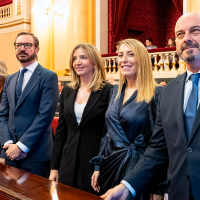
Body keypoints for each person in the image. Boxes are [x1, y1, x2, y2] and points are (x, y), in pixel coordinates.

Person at [100, 12, 200, 200]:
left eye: (195, 31)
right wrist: (127, 186)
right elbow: (158, 148)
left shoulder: (156, 93)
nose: (186, 39)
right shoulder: (170, 91)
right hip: (181, 192)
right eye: (179, 34)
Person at [90, 39, 166, 199]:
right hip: (109, 166)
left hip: (137, 171)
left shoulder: (156, 94)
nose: (123, 59)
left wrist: (158, 187)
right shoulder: (115, 91)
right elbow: (107, 134)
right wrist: (97, 166)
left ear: (142, 59)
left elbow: (159, 143)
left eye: (130, 54)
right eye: (120, 55)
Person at [49, 43, 113, 194]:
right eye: (75, 58)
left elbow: (109, 134)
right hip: (67, 164)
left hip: (94, 165)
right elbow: (61, 132)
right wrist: (54, 167)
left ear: (94, 62)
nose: (77, 62)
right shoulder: (68, 91)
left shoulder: (108, 91)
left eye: (83, 57)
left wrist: (101, 165)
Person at [0, 32, 58, 178]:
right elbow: (3, 114)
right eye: (18, 45)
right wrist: (8, 143)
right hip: (10, 153)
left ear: (37, 49)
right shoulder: (10, 79)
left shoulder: (48, 76)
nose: (22, 49)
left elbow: (44, 115)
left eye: (27, 45)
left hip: (35, 153)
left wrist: (21, 146)